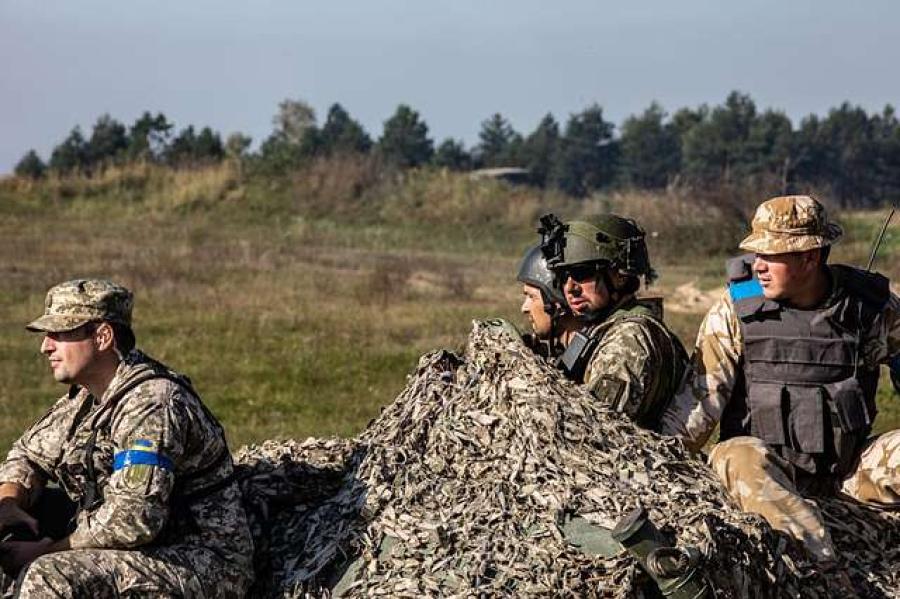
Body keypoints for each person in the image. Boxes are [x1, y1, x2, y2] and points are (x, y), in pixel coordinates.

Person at [660, 195, 900, 563]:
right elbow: (696, 410)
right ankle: (820, 569)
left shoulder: (870, 308)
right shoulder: (736, 309)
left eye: (771, 256)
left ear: (810, 257)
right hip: (764, 474)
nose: (758, 267)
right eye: (756, 254)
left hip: (847, 476)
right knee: (736, 454)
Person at [0, 279, 253, 597]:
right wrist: (9, 504)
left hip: (201, 563)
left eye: (61, 333)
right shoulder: (89, 395)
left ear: (103, 336)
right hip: (139, 548)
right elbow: (27, 456)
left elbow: (134, 518)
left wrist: (48, 551)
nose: (45, 346)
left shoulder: (154, 403)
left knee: (50, 576)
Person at [539, 213, 688, 429]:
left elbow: (597, 430)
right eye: (563, 276)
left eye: (582, 273)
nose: (570, 288)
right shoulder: (605, 329)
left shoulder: (628, 339)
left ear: (620, 275)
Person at [516, 244, 580, 358]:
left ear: (557, 301)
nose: (524, 308)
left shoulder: (603, 354)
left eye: (531, 296)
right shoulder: (564, 354)